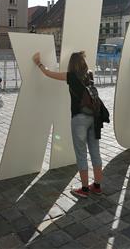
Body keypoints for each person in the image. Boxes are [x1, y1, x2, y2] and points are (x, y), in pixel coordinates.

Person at [32, 51, 103, 198]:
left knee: (81, 154)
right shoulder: (89, 74)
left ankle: (84, 189)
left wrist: (38, 62)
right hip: (94, 117)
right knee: (95, 152)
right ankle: (97, 186)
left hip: (79, 119)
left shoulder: (71, 76)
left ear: (72, 63)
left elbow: (48, 73)